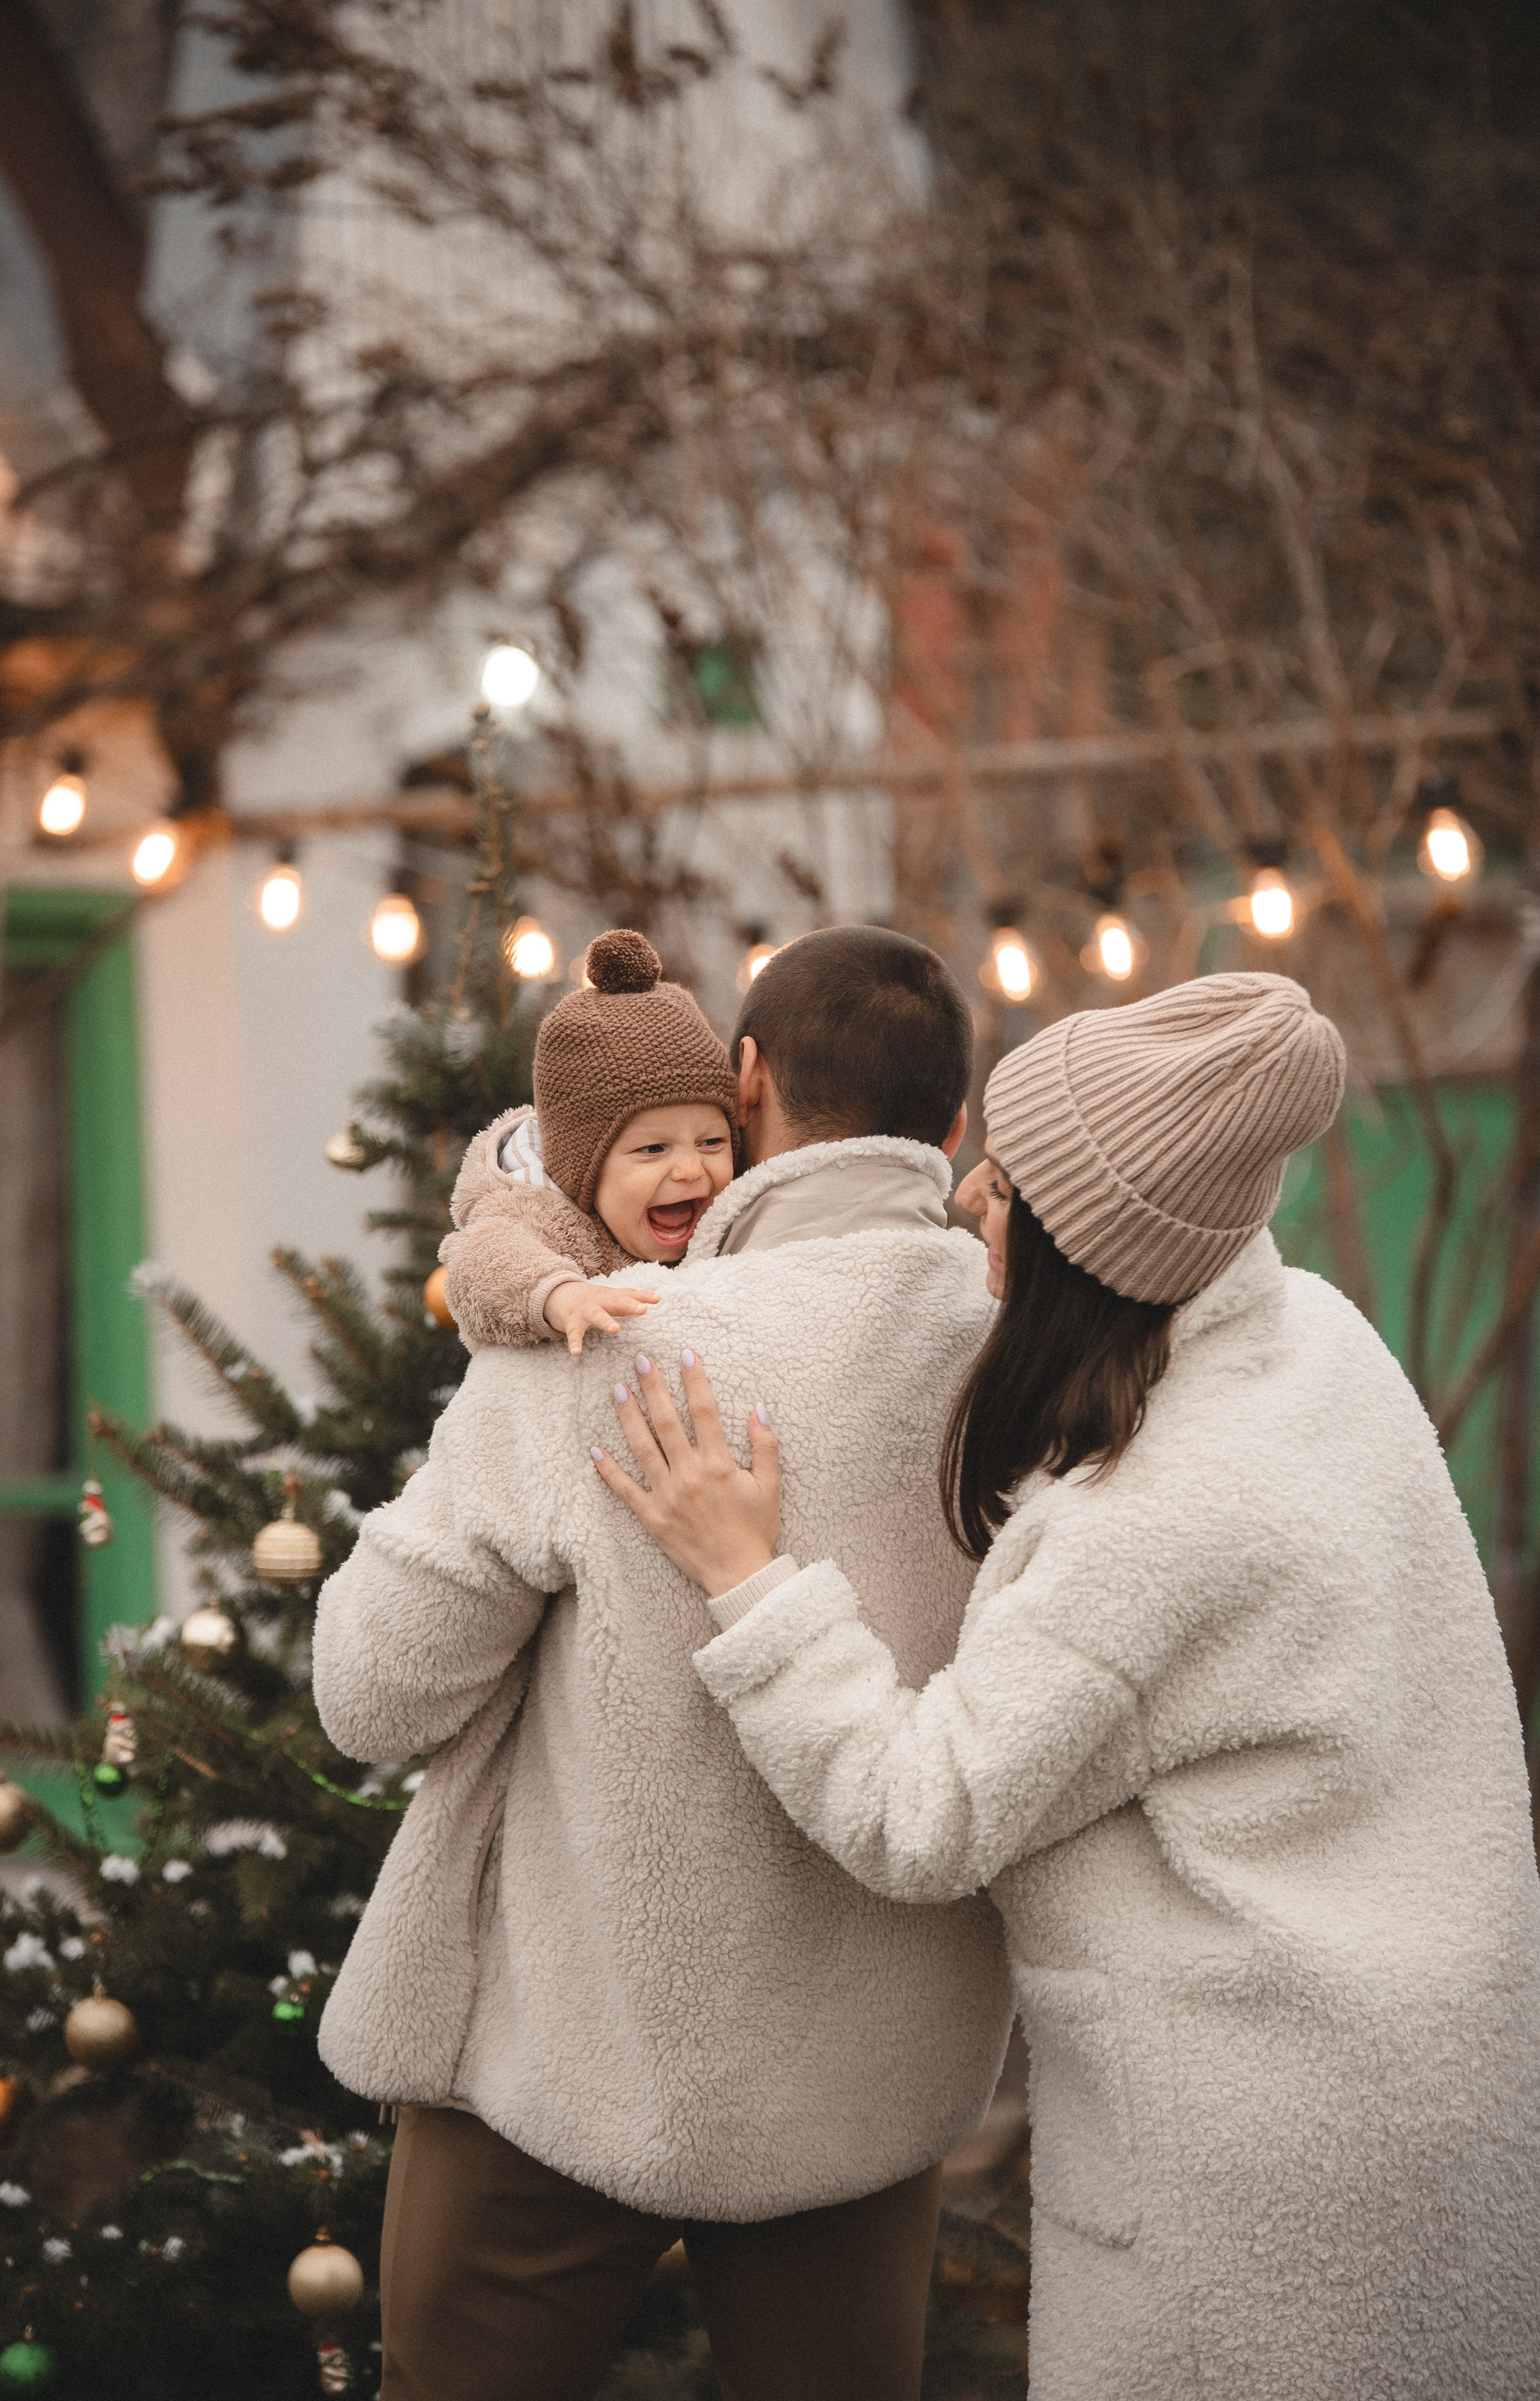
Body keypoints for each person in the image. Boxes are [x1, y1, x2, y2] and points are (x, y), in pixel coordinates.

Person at [595, 970, 1540, 2401]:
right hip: (1434, 2079)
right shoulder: (1317, 1343)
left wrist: (748, 1577)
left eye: (1012, 1181)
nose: (972, 1193)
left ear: (1091, 1244)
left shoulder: (1148, 1521)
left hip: (1255, 2169)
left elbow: (921, 1815)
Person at [312, 926, 1014, 2401]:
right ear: (949, 1123)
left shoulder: (619, 1344)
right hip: (864, 2084)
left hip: (571, 2055)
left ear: (744, 1081)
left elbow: (370, 1693)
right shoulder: (1020, 1356)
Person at [438, 926, 737, 1355]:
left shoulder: (732, 1213)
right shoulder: (547, 1215)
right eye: (653, 1149)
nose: (691, 1169)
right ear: (582, 1166)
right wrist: (559, 1296)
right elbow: (477, 1262)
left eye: (712, 1142)